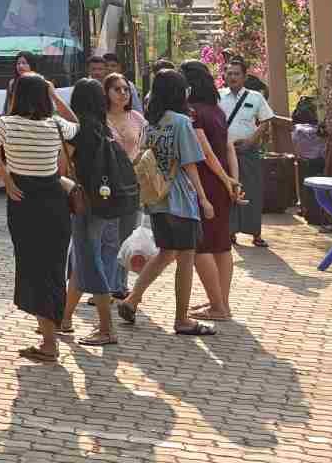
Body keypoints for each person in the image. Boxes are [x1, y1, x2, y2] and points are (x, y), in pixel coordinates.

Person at [0, 73, 79, 364]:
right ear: (44, 96)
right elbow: (77, 126)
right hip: (55, 203)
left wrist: (5, 176)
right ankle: (51, 335)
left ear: (17, 95)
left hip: (24, 203)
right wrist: (56, 96)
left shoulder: (5, 124)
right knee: (54, 269)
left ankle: (49, 343)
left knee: (33, 269)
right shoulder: (55, 124)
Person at [117, 69, 216, 337]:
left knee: (165, 252)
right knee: (185, 259)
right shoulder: (181, 122)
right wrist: (204, 198)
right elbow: (190, 164)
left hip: (156, 199)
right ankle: (182, 319)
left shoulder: (150, 124)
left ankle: (132, 300)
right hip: (180, 200)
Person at [61, 79, 135, 346]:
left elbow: (60, 168)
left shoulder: (78, 132)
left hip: (86, 206)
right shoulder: (104, 128)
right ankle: (64, 319)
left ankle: (106, 329)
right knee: (83, 262)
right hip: (108, 204)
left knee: (90, 264)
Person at [182, 62, 242, 322]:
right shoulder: (217, 110)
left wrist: (225, 179)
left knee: (201, 246)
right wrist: (232, 181)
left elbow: (204, 152)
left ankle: (218, 306)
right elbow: (228, 148)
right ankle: (221, 303)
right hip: (222, 184)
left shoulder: (192, 112)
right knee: (221, 245)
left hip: (205, 184)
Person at [219, 55, 275, 248]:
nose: (233, 77)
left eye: (237, 74)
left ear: (244, 77)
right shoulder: (218, 96)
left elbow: (266, 120)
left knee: (252, 190)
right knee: (228, 190)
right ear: (224, 76)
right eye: (229, 73)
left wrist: (252, 140)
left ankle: (256, 234)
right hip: (225, 152)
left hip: (248, 151)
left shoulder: (255, 97)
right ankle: (230, 232)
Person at [104, 72, 149, 298]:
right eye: (117, 89)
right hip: (107, 185)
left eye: (126, 89)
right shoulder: (99, 119)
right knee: (108, 238)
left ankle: (120, 285)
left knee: (127, 236)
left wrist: (139, 161)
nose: (123, 93)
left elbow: (147, 148)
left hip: (132, 185)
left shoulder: (138, 119)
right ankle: (104, 287)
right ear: (106, 93)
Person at [292, 101, 327, 219]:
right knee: (317, 189)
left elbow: (296, 147)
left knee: (305, 188)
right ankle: (317, 214)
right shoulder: (319, 129)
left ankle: (306, 210)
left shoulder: (297, 129)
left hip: (304, 161)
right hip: (320, 161)